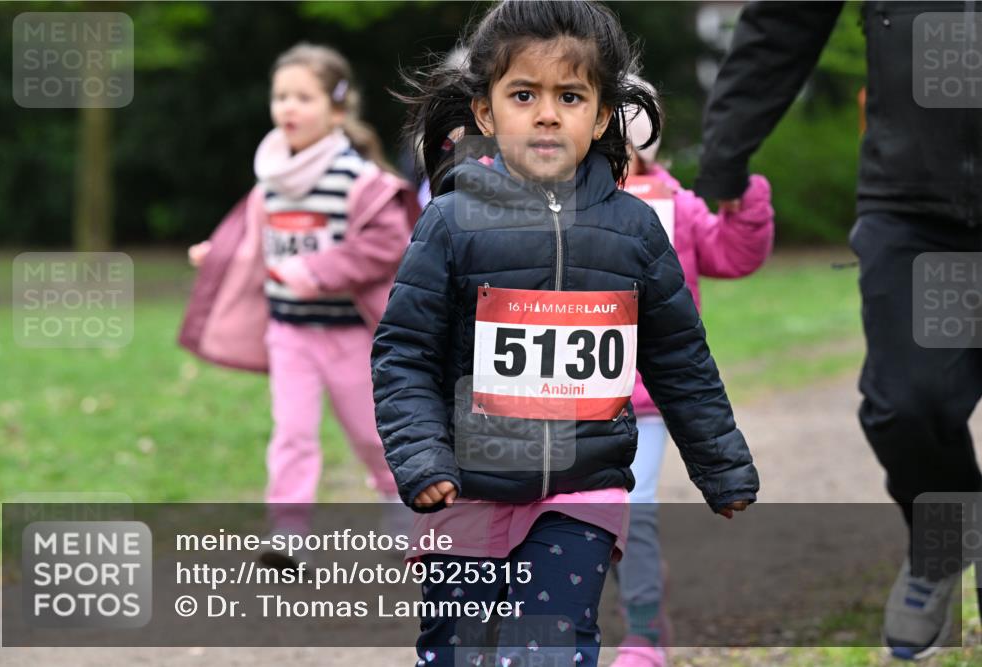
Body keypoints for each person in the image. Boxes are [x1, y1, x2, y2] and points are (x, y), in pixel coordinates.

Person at [372, 2, 759, 665]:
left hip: (583, 487)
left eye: (570, 95)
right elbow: (404, 355)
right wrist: (423, 459)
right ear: (487, 114)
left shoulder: (636, 232)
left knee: (548, 646)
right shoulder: (450, 223)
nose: (547, 113)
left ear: (603, 115)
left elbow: (678, 357)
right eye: (524, 94)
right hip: (463, 485)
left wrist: (721, 466)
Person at [694, 1, 981, 660]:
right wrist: (727, 150)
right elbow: (782, 23)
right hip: (913, 205)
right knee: (905, 407)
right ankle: (946, 541)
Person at [181, 43, 419, 567]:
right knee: (291, 434)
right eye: (281, 96)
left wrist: (316, 271)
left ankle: (406, 519)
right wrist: (215, 254)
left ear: (337, 109)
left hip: (353, 337)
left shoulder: (358, 180)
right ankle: (289, 535)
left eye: (303, 97)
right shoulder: (272, 179)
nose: (288, 107)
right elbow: (248, 235)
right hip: (288, 334)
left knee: (374, 436)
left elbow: (387, 244)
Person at [610, 88, 775, 667]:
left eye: (624, 143)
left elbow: (733, 254)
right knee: (580, 514)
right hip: (565, 391)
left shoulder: (676, 203)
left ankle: (644, 635)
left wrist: (742, 197)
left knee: (634, 508)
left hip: (645, 393)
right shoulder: (557, 201)